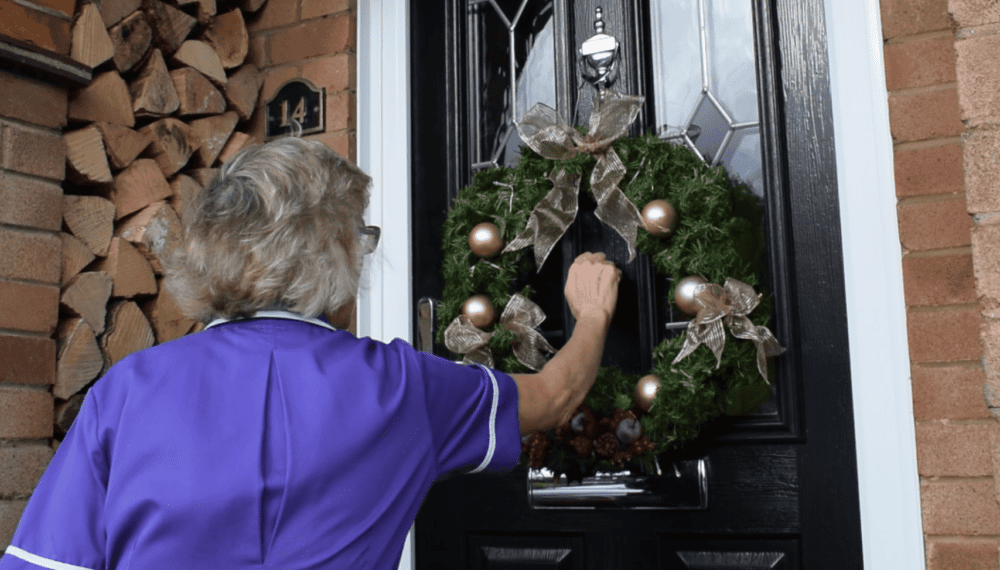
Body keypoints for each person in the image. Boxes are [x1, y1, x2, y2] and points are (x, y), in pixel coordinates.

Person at [0, 137, 620, 570]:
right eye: (361, 237)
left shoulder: (127, 388)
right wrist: (592, 313)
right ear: (332, 251)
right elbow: (557, 396)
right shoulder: (403, 388)